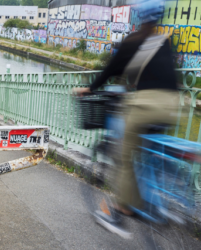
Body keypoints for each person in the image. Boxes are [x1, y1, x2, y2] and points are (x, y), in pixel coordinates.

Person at [73, 0, 178, 237]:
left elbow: (110, 71)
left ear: (139, 18)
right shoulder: (164, 42)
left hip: (146, 106)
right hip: (173, 106)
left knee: (124, 156)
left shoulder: (132, 42)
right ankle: (162, 200)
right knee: (150, 149)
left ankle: (120, 212)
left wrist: (89, 89)